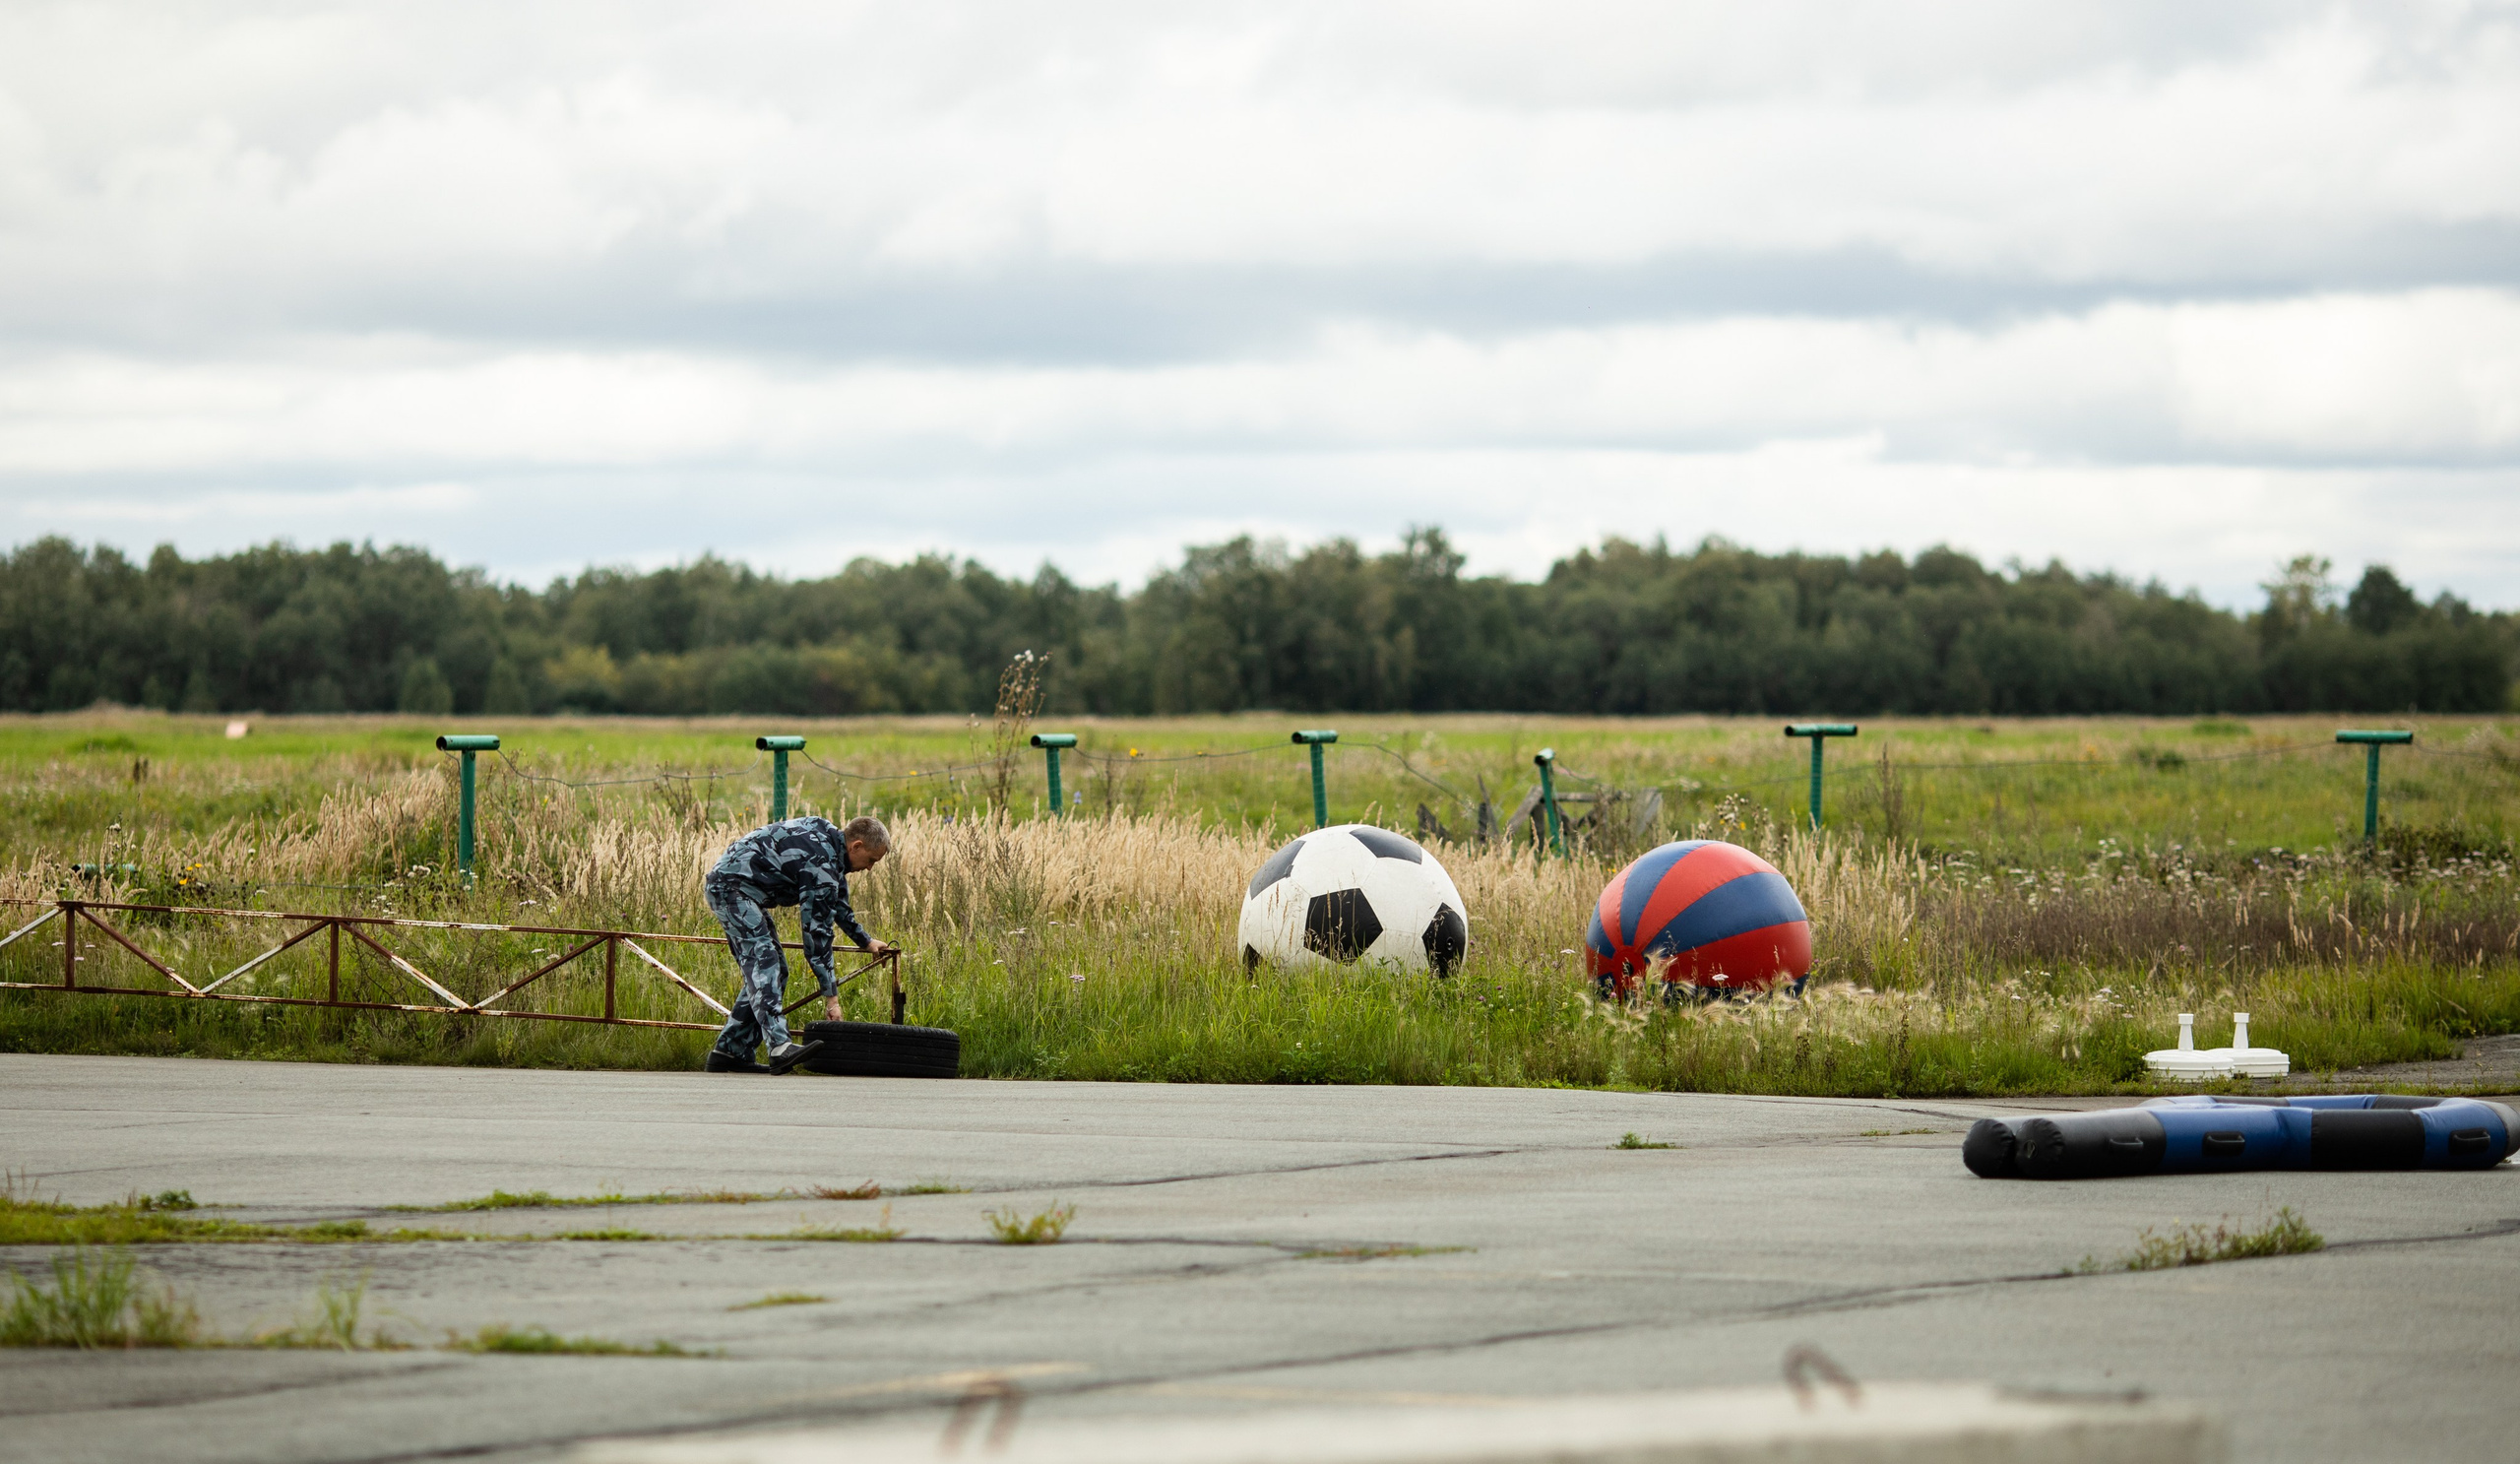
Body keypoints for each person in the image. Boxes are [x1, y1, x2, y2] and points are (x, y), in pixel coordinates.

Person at [703, 812, 898, 1074]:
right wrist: (832, 999)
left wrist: (865, 940)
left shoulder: (827, 841)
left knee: (776, 969)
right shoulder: (822, 864)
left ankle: (730, 1051)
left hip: (741, 891)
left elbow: (836, 902)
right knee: (765, 964)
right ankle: (779, 1047)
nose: (870, 868)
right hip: (731, 890)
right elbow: (816, 936)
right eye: (871, 860)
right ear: (857, 846)